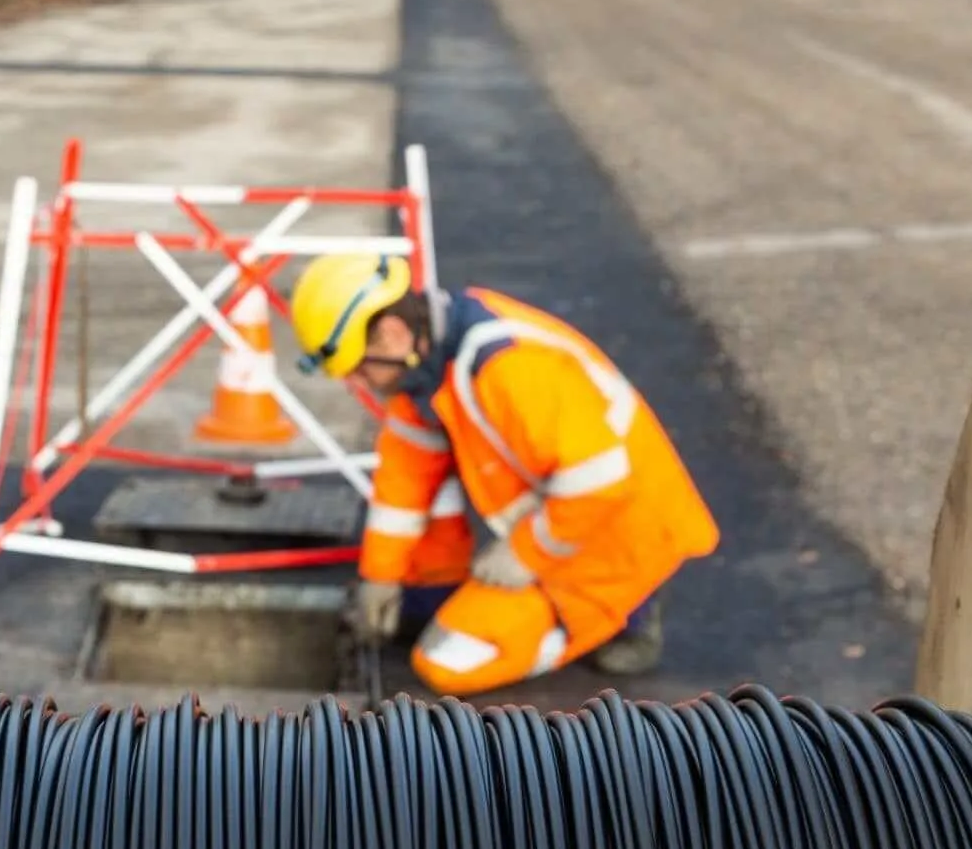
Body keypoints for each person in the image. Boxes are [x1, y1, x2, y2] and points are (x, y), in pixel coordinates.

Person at [289, 251, 720, 697]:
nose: (358, 383)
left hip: (616, 534)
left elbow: (599, 481)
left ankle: (622, 613)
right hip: (570, 524)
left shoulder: (508, 366)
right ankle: (541, 603)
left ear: (393, 334)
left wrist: (525, 554)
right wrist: (381, 576)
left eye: (360, 367)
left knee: (446, 662)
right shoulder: (428, 370)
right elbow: (403, 487)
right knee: (415, 609)